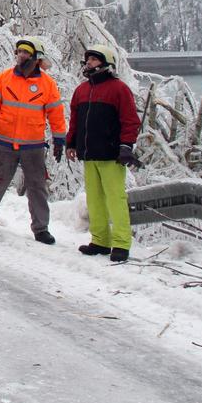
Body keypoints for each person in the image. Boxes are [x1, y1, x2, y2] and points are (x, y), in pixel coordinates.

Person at [0, 37, 67, 244]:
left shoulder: (47, 84)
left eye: (26, 52)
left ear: (36, 58)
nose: (21, 56)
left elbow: (56, 114)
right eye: (19, 52)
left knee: (37, 188)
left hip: (33, 146)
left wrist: (60, 140)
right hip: (4, 144)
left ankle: (41, 229)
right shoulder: (3, 78)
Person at [66, 45, 141, 263]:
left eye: (93, 60)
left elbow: (130, 120)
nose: (88, 63)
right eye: (87, 59)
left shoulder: (119, 89)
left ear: (106, 63)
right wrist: (71, 143)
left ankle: (121, 243)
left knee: (115, 199)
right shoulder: (81, 90)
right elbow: (75, 121)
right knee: (95, 199)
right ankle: (100, 241)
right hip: (89, 155)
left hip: (111, 156)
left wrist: (126, 145)